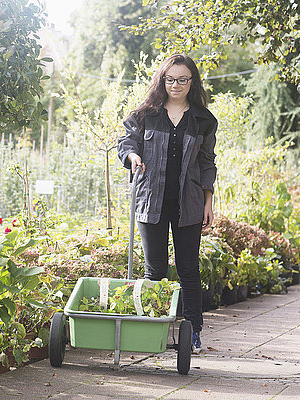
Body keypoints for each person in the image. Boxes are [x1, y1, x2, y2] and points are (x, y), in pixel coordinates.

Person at [117, 54, 217, 354]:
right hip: (151, 200)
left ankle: (194, 332)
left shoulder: (203, 119)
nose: (176, 84)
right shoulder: (145, 114)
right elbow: (127, 142)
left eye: (182, 79)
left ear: (192, 82)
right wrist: (133, 157)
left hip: (189, 202)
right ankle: (153, 332)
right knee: (154, 271)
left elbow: (207, 162)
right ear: (162, 80)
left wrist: (208, 200)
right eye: (170, 79)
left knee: (188, 268)